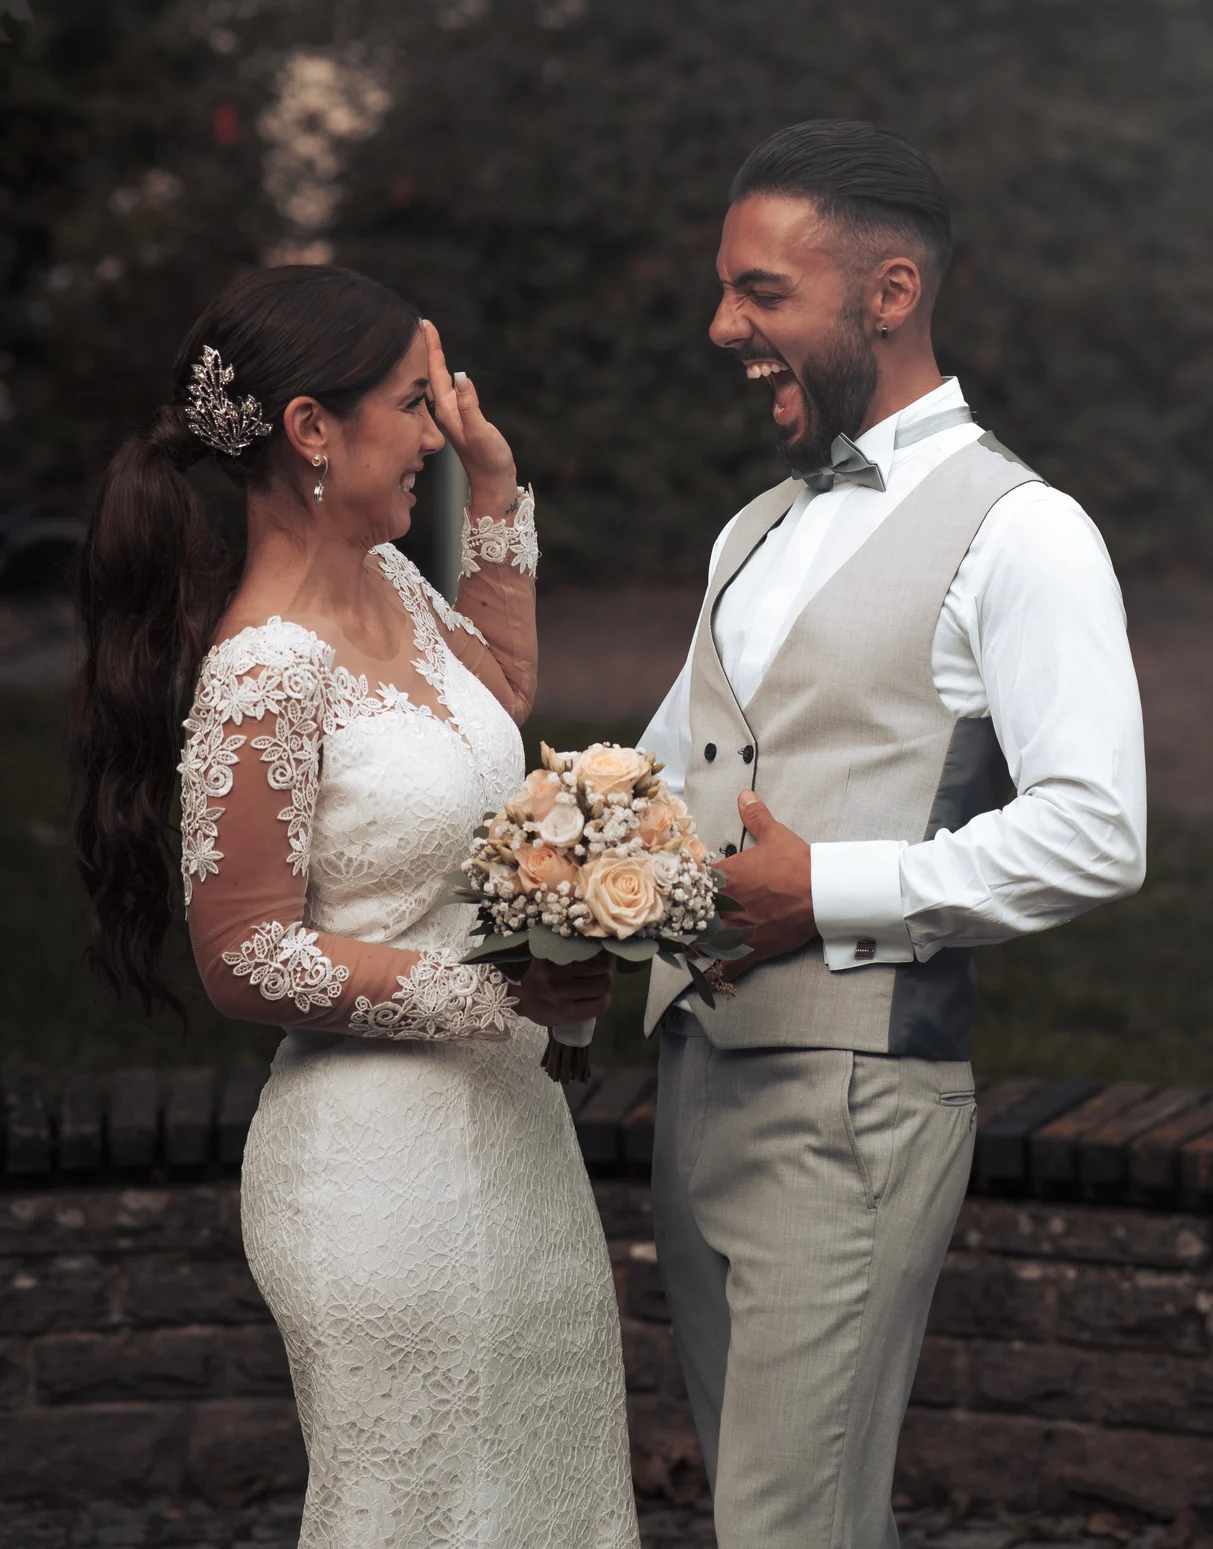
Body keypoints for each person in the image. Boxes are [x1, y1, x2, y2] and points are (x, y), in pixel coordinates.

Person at [70, 264, 639, 1549]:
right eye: (413, 405)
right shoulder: (265, 669)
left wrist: (495, 494)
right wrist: (503, 991)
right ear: (313, 430)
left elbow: (500, 690)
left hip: (510, 1142)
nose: (435, 433)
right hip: (380, 1177)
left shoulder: (393, 590)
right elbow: (243, 955)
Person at [641, 121, 1146, 1548]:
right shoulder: (747, 529)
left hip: (855, 1102)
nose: (723, 325)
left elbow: (1097, 831)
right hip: (700, 1081)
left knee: (790, 1520)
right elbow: (655, 777)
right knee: (758, 1507)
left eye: (761, 293)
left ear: (889, 292)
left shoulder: (1026, 530)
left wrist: (831, 890)